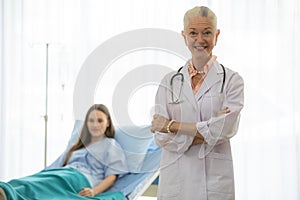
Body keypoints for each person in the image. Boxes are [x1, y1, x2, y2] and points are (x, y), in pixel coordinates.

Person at [151, 6, 244, 200]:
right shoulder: (169, 82)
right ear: (184, 36)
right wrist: (208, 131)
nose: (200, 40)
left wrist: (171, 126)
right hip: (176, 180)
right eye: (193, 33)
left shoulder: (232, 80)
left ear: (216, 36)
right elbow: (160, 137)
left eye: (207, 33)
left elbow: (225, 129)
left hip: (213, 181)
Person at [0, 104, 128, 200]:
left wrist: (94, 191)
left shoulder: (111, 145)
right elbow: (56, 166)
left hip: (80, 179)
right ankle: (6, 189)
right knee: (34, 180)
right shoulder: (78, 146)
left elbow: (112, 177)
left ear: (108, 123)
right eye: (91, 120)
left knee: (46, 184)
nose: (95, 124)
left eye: (99, 120)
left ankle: (9, 194)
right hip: (63, 172)